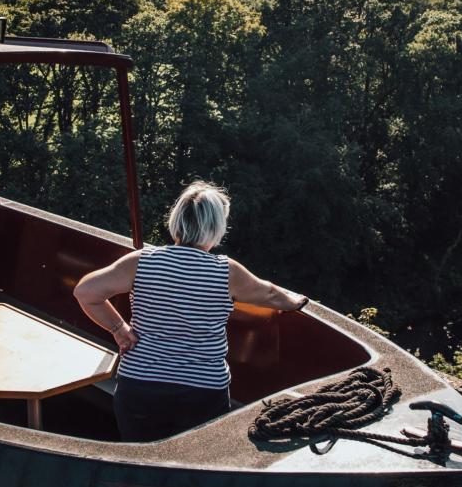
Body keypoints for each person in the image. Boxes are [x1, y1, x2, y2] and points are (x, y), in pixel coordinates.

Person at [73, 181, 308, 442]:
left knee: (141, 460)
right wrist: (296, 301)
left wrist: (119, 329)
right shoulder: (225, 271)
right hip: (201, 395)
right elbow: (270, 295)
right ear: (216, 228)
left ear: (176, 221)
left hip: (140, 390)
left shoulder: (142, 261)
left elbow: (86, 292)